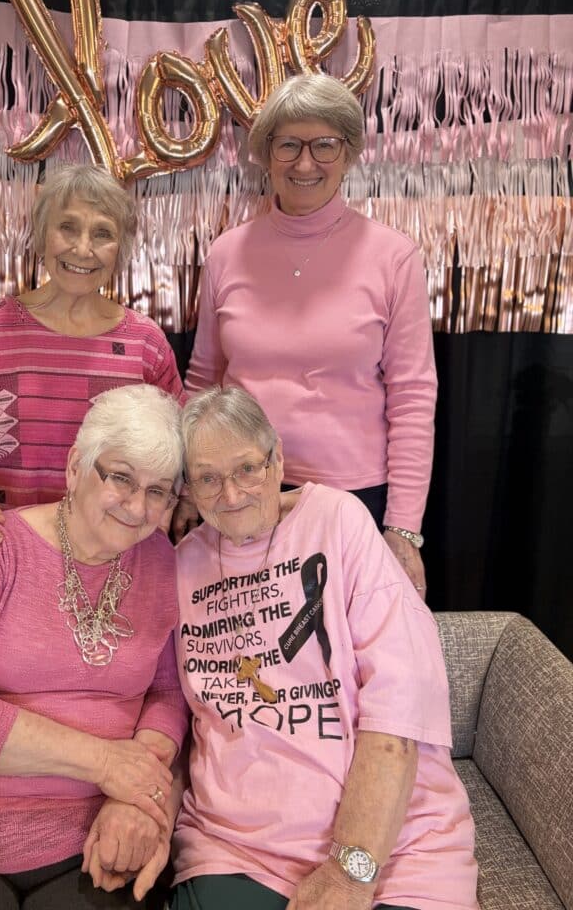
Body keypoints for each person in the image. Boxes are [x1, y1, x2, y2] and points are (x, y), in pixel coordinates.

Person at [86, 386, 474, 909]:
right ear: (188, 492)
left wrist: (349, 870)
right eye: (207, 478)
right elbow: (174, 711)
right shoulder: (180, 564)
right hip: (237, 849)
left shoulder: (338, 522)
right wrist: (151, 809)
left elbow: (400, 702)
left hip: (393, 849)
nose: (231, 494)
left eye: (247, 468)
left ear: (278, 459)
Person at [0, 384, 188, 910]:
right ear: (77, 466)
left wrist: (139, 798)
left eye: (159, 491)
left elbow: (168, 693)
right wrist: (106, 763)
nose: (139, 507)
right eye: (120, 478)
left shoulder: (162, 561)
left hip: (98, 832)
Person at [182, 74, 436, 594]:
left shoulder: (394, 257)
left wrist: (403, 528)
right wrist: (187, 486)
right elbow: (203, 380)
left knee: (339, 660)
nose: (304, 163)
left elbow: (412, 397)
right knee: (247, 661)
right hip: (239, 494)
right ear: (266, 154)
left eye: (324, 145)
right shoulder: (226, 254)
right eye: (289, 145)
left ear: (349, 154)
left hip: (353, 499)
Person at [0, 164, 185, 575]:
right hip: (7, 561)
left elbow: (181, 456)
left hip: (116, 570)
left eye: (102, 233)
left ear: (120, 249)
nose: (83, 249)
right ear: (41, 234)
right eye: (68, 227)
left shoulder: (146, 345)